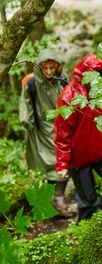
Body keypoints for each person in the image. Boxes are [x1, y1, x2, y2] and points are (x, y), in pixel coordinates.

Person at [54, 54, 102, 221]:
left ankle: (100, 212)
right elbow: (62, 134)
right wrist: (63, 162)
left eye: (101, 74)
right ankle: (85, 231)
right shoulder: (69, 97)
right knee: (87, 202)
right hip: (79, 158)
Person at [19, 48, 70, 212]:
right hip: (42, 129)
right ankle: (48, 200)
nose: (48, 72)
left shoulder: (63, 80)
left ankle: (59, 197)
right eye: (45, 68)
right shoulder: (31, 84)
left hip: (62, 129)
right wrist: (26, 121)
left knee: (64, 162)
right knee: (48, 163)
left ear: (57, 67)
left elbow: (71, 101)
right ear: (39, 67)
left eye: (52, 68)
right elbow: (25, 104)